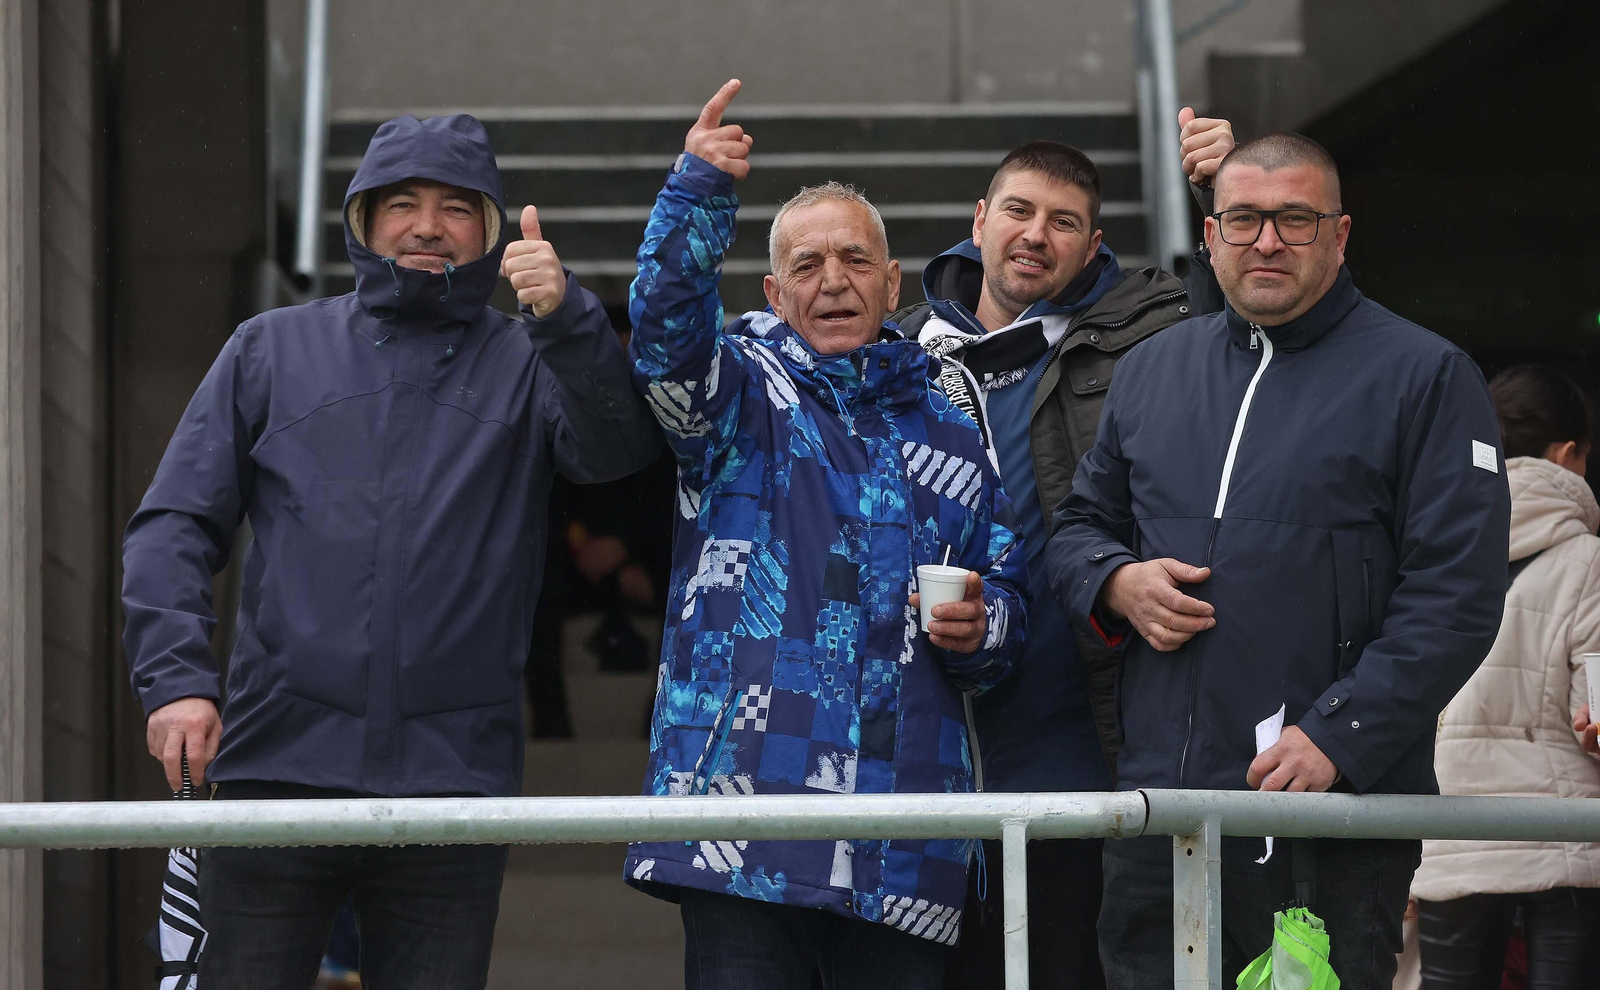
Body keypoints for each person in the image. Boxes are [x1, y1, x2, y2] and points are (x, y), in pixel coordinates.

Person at [122, 112, 660, 988]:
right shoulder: (271, 347)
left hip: (451, 789)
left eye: (457, 207)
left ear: (488, 231)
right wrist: (177, 678)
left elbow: (615, 451)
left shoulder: (527, 358)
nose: (425, 225)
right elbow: (174, 523)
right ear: (362, 221)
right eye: (401, 203)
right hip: (274, 771)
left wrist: (567, 320)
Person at [1046, 132, 1512, 990]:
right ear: (1211, 235)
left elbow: (1458, 593)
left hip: (1326, 826)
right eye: (1246, 219)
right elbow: (1078, 525)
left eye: (1295, 220)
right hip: (1163, 813)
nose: (1268, 241)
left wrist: (1340, 732)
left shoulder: (1427, 376)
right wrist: (1115, 580)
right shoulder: (1151, 372)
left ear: (1339, 235)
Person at [622, 79, 1028, 990]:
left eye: (855, 260)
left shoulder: (953, 417)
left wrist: (985, 628)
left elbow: (1008, 593)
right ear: (772, 289)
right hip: (746, 836)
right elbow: (663, 340)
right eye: (806, 266)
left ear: (893, 283)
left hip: (909, 846)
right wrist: (695, 192)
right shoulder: (738, 397)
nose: (833, 282)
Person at [891, 113, 1235, 988]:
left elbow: (1252, 338)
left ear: (1093, 248)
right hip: (912, 758)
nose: (1035, 235)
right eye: (1018, 210)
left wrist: (1221, 192)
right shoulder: (892, 352)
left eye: (1064, 222)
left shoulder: (1148, 334)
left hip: (1075, 746)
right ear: (978, 220)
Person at [1410, 365, 1600, 990]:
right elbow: (1593, 704)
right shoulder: (1587, 560)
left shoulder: (1429, 549)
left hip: (1449, 832)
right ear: (1569, 454)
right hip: (1566, 839)